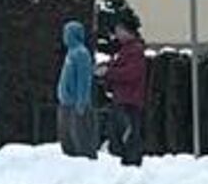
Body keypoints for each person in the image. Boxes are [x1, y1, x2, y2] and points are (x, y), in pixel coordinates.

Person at [99, 20, 148, 167]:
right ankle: (126, 161)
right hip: (122, 98)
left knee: (129, 133)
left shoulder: (134, 50)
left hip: (130, 100)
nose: (117, 34)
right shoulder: (124, 49)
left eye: (120, 30)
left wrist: (109, 72)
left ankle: (131, 163)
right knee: (121, 133)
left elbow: (131, 73)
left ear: (129, 31)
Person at [55, 20, 97, 158]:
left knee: (80, 140)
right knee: (67, 139)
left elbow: (84, 80)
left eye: (67, 33)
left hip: (76, 105)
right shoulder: (70, 53)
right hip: (66, 104)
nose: (64, 36)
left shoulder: (81, 54)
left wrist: (81, 102)